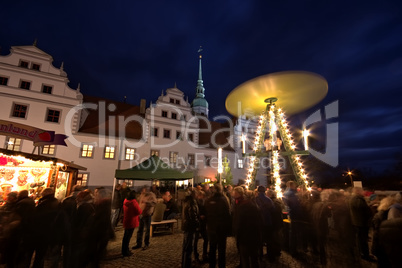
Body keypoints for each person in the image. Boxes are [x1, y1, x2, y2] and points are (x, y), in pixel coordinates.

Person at [233, 186, 262, 268]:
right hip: (254, 236)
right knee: (254, 258)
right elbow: (260, 222)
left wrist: (236, 233)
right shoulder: (256, 207)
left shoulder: (241, 207)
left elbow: (238, 223)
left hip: (244, 237)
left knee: (245, 259)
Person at [205, 184, 231, 268]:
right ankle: (221, 265)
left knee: (212, 248)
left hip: (211, 227)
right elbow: (227, 214)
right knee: (221, 249)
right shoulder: (224, 200)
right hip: (221, 228)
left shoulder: (208, 200)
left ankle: (211, 265)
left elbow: (205, 213)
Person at [349, 187, 375, 262]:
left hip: (358, 222)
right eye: (362, 191)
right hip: (361, 223)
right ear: (358, 191)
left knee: (361, 239)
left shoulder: (354, 198)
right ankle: (365, 255)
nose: (363, 192)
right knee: (363, 240)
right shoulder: (357, 199)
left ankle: (363, 253)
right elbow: (363, 209)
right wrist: (370, 207)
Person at [282, 181, 304, 257]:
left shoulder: (285, 193)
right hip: (294, 215)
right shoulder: (292, 194)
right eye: (295, 185)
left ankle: (287, 246)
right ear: (292, 185)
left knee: (289, 231)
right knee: (293, 233)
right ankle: (293, 250)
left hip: (288, 213)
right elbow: (295, 206)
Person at [372, 195, 394, 268]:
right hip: (383, 245)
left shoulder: (379, 213)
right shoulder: (384, 214)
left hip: (380, 244)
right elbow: (378, 231)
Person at [255, 185, 276, 262]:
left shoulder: (255, 199)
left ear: (258, 191)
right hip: (268, 222)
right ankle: (270, 256)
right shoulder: (269, 200)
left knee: (259, 240)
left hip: (259, 222)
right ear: (264, 191)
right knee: (269, 240)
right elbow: (273, 210)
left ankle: (260, 255)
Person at [133, 186, 156, 250]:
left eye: (144, 190)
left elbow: (154, 203)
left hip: (147, 214)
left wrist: (147, 202)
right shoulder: (142, 195)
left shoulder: (151, 195)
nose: (143, 191)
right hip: (141, 214)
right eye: (142, 190)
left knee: (147, 230)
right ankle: (138, 243)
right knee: (140, 230)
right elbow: (139, 202)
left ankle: (146, 243)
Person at [181, 189, 199, 268]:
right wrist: (197, 224)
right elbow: (193, 215)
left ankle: (184, 263)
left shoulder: (186, 201)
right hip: (190, 226)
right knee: (188, 247)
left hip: (186, 225)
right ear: (194, 194)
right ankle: (187, 264)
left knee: (185, 246)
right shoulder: (192, 202)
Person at [122, 190, 142, 257]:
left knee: (125, 237)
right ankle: (126, 251)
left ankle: (124, 250)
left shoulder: (125, 201)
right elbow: (138, 211)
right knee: (128, 237)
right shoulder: (134, 202)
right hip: (132, 221)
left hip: (126, 220)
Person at [194, 190, 208, 263]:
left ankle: (204, 254)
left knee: (206, 239)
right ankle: (196, 256)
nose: (202, 197)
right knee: (196, 240)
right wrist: (200, 216)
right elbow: (195, 213)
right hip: (198, 223)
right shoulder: (196, 203)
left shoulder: (204, 202)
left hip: (202, 223)